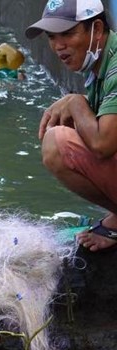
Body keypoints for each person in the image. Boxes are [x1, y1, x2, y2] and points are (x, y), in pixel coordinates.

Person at [25, 0, 117, 252]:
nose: (58, 46)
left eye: (67, 33)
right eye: (52, 37)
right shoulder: (101, 62)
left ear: (96, 30)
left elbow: (103, 144)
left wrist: (76, 102)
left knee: (57, 142)